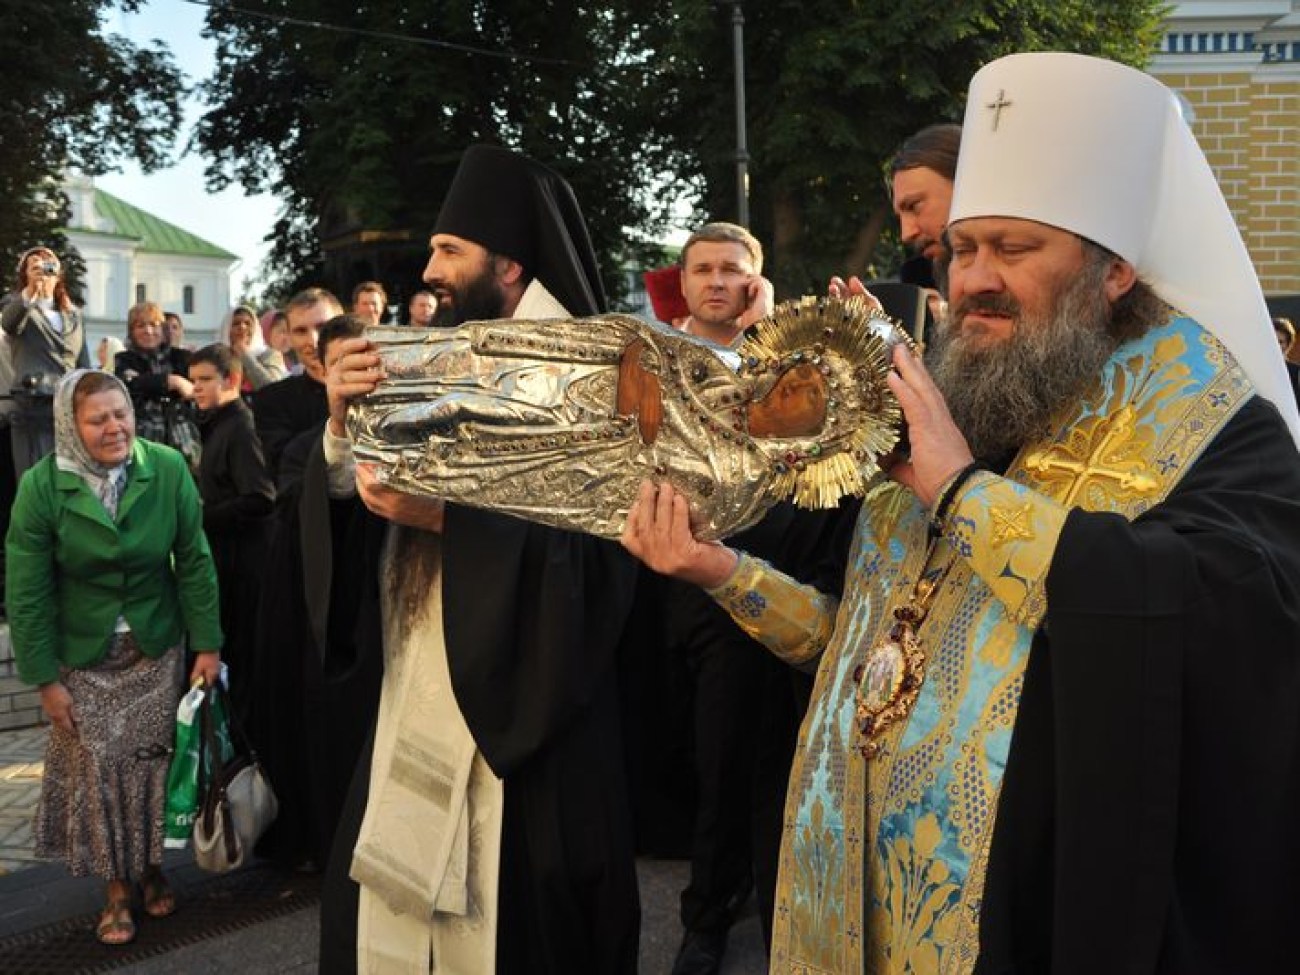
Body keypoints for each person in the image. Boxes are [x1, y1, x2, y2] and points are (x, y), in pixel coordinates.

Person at [622, 52, 1300, 973]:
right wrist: (721, 572)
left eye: (1014, 250)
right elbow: (871, 659)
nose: (975, 278)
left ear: (1112, 273)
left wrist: (963, 492)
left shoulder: (1215, 425)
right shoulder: (966, 400)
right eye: (964, 247)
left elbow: (1213, 629)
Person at [321, 144, 641, 974]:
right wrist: (339, 423)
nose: (428, 269)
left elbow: (605, 559)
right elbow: (351, 511)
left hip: (534, 732)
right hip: (416, 683)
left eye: (449, 251)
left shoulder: (595, 374)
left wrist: (452, 525)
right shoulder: (439, 360)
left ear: (509, 264)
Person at [660, 223, 857, 975]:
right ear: (683, 283)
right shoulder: (657, 357)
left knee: (783, 767)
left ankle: (777, 925)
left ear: (756, 280)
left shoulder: (782, 353)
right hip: (690, 589)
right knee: (716, 764)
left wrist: (766, 332)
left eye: (733, 270)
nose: (718, 281)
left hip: (787, 582)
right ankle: (706, 918)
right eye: (704, 269)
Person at [5, 369, 222, 946]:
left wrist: (208, 644)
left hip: (155, 645)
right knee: (100, 773)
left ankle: (152, 870)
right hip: (84, 656)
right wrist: (46, 680)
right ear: (70, 427)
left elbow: (194, 560)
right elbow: (26, 590)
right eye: (97, 418)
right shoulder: (42, 487)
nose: (114, 427)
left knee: (151, 765)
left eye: (120, 413)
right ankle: (115, 890)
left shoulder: (167, 468)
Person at [247, 312, 378, 874]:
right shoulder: (307, 444)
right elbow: (311, 506)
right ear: (321, 368)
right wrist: (342, 426)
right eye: (344, 364)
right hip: (325, 624)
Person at [188, 344, 275, 720]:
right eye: (193, 381)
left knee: (242, 667)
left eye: (205, 380)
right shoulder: (217, 424)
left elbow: (260, 497)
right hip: (226, 563)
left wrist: (201, 518)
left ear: (233, 379)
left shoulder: (240, 426)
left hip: (246, 570)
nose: (196, 388)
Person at [0, 247, 91, 478]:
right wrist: (31, 291)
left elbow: (83, 361)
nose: (43, 268)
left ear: (59, 272)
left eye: (48, 263)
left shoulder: (72, 314)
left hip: (68, 406)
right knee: (36, 479)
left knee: (71, 477)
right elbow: (9, 324)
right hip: (33, 409)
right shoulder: (17, 304)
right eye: (34, 265)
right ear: (25, 274)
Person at [251, 288, 342, 490]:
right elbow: (284, 467)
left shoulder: (373, 391)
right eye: (301, 331)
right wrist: (339, 419)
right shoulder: (272, 400)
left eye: (323, 327)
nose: (313, 340)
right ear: (290, 338)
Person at [115, 301, 201, 474]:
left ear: (163, 329)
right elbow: (132, 384)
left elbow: (194, 389)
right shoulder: (124, 359)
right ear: (131, 331)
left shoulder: (182, 358)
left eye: (154, 325)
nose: (148, 331)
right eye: (140, 325)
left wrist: (150, 383)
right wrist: (172, 381)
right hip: (143, 441)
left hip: (183, 439)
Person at [218, 304, 287, 392]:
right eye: (236, 323)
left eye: (247, 323)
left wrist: (245, 355)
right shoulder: (216, 357)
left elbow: (272, 388)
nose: (242, 327)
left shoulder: (270, 354)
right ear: (227, 329)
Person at [1274, 316, 1299, 403]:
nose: (1276, 345)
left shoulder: (1296, 372)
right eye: (1273, 340)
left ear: (1288, 345)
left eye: (1280, 342)